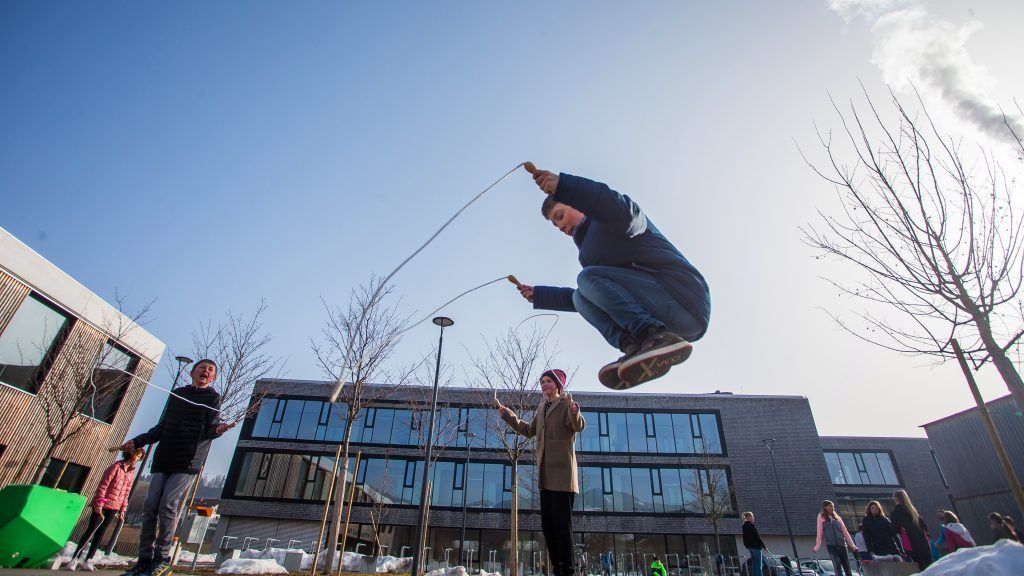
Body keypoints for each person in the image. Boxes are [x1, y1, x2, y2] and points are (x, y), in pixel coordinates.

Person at [516, 168, 711, 390]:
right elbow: (600, 298)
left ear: (576, 204)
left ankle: (652, 336)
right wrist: (541, 295)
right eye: (554, 225)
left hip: (683, 298)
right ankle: (634, 346)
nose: (560, 226)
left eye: (559, 216)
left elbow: (620, 209)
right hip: (668, 317)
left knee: (586, 279)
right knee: (582, 296)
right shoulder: (591, 259)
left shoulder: (612, 219)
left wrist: (565, 186)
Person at [118, 359, 232, 576]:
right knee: (150, 506)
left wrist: (218, 430)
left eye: (210, 370)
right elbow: (162, 427)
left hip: (188, 460)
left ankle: (163, 558)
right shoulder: (177, 394)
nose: (205, 371)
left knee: (168, 505)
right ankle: (144, 559)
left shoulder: (212, 398)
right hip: (165, 457)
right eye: (202, 368)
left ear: (213, 378)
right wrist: (139, 441)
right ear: (192, 372)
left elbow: (209, 430)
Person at [496, 369, 586, 576]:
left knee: (563, 526)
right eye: (542, 381)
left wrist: (574, 410)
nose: (544, 385)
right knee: (548, 526)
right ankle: (558, 568)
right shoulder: (542, 406)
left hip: (563, 477)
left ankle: (569, 570)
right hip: (545, 477)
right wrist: (507, 415)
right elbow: (529, 430)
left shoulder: (566, 404)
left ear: (558, 384)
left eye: (548, 381)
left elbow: (578, 426)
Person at [65, 448, 144, 571]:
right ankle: (74, 559)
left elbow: (126, 492)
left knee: (100, 533)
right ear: (131, 454)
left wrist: (123, 509)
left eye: (140, 457)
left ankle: (88, 560)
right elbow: (103, 485)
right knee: (91, 531)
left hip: (115, 506)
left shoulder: (131, 472)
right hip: (103, 504)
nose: (138, 459)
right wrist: (99, 504)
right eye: (138, 456)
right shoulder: (116, 467)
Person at [812, 500, 858, 576]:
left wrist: (852, 546)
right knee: (837, 564)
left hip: (842, 545)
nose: (832, 508)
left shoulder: (837, 517)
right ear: (825, 507)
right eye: (830, 506)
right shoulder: (821, 517)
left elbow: (845, 532)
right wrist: (817, 546)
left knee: (847, 566)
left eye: (833, 506)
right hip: (831, 546)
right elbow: (819, 532)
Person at [890, 489, 931, 570]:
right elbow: (924, 526)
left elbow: (895, 529)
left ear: (896, 499)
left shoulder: (896, 512)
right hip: (923, 541)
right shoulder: (913, 510)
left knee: (919, 567)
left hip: (910, 542)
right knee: (929, 566)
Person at [741, 511, 767, 576]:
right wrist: (764, 547)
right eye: (752, 516)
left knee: (754, 564)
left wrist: (747, 546)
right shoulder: (751, 526)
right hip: (756, 547)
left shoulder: (744, 526)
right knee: (758, 564)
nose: (753, 517)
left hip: (750, 547)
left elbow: (744, 537)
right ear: (749, 517)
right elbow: (757, 537)